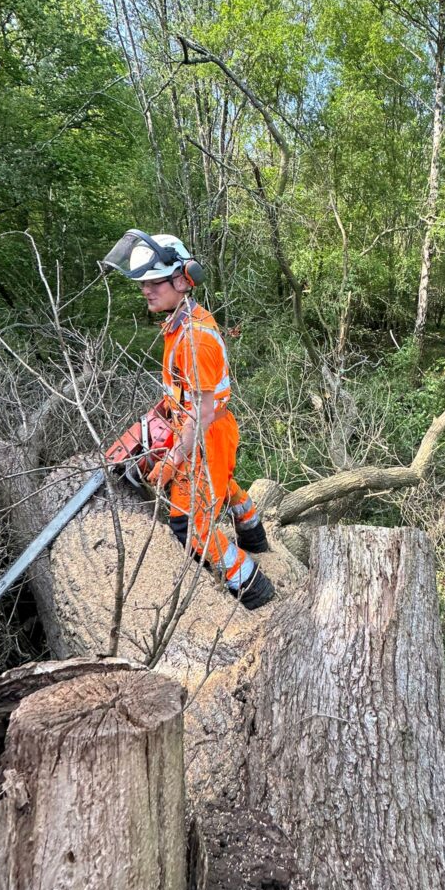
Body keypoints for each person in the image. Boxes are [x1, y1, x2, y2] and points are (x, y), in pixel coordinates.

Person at [102, 229, 274, 610]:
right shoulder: (179, 323)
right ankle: (253, 534)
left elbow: (202, 409)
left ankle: (254, 588)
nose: (147, 290)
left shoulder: (194, 337)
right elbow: (183, 393)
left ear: (182, 278)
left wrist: (172, 458)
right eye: (143, 283)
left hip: (206, 432)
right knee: (222, 483)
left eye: (154, 281)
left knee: (189, 526)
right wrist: (156, 418)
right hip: (202, 429)